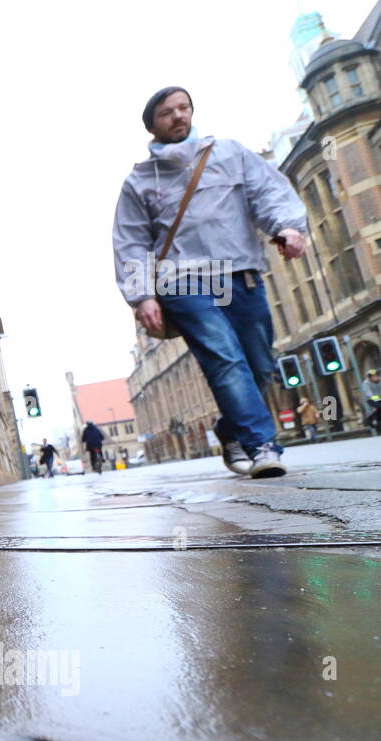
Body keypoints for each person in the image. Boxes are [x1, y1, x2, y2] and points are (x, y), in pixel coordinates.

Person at [113, 87, 307, 479]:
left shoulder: (230, 153)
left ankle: (230, 430)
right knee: (225, 359)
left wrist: (285, 227)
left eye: (183, 108)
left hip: (239, 271)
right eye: (167, 112)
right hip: (183, 281)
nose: (178, 116)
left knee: (260, 363)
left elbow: (267, 193)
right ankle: (261, 445)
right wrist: (141, 296)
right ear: (151, 124)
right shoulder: (139, 181)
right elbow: (131, 240)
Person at [363, 369, 381, 434]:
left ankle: (378, 420)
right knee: (379, 406)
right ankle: (371, 419)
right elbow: (369, 394)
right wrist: (378, 398)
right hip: (371, 399)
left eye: (376, 376)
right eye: (372, 377)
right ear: (369, 378)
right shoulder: (366, 383)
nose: (375, 378)